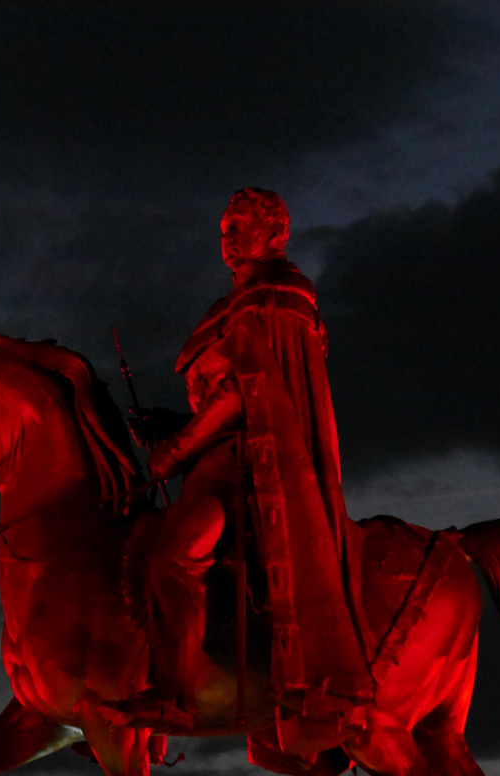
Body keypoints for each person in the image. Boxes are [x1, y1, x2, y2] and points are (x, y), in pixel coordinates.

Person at [127, 188, 374, 725]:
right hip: (213, 461)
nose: (229, 236)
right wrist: (169, 428)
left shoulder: (275, 290)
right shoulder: (234, 302)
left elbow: (246, 388)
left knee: (174, 554)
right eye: (224, 229)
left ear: (274, 232)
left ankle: (175, 694)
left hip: (248, 466)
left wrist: (180, 444)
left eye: (240, 224)